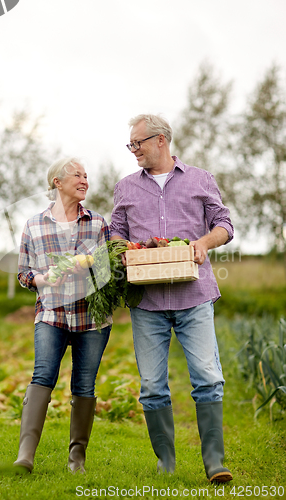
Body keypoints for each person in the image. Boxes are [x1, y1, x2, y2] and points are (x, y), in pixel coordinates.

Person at [110, 114, 234, 483]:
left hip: (194, 296)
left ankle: (215, 463)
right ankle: (166, 463)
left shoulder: (199, 179)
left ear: (161, 140)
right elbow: (116, 232)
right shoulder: (125, 187)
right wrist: (120, 251)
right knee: (151, 386)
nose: (133, 150)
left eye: (138, 143)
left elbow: (224, 225)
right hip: (147, 302)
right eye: (130, 144)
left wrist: (203, 243)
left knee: (208, 379)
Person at [14, 157, 111, 474]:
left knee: (84, 385)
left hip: (91, 318)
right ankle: (25, 456)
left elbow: (110, 272)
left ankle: (76, 461)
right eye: (78, 175)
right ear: (57, 181)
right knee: (42, 376)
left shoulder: (97, 224)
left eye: (87, 175)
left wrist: (88, 267)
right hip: (51, 314)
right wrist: (42, 279)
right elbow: (24, 273)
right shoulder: (34, 224)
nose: (85, 180)